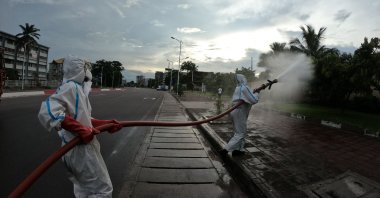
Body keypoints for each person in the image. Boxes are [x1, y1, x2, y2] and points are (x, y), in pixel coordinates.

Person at [38, 55, 123, 197]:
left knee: (84, 190)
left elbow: (83, 119)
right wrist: (80, 130)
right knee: (102, 191)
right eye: (86, 71)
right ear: (80, 71)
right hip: (80, 151)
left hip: (73, 151)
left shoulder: (77, 90)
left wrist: (107, 124)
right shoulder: (71, 87)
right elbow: (47, 110)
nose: (89, 76)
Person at [219, 74, 259, 157]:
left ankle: (238, 150)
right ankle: (226, 149)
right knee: (240, 133)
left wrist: (253, 92)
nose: (246, 79)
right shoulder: (245, 88)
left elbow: (247, 97)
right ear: (243, 79)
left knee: (240, 132)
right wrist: (257, 93)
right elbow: (254, 100)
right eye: (245, 77)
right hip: (240, 112)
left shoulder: (238, 88)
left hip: (236, 111)